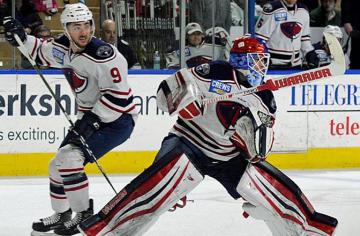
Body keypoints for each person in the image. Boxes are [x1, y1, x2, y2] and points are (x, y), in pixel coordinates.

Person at [78, 36, 338, 236]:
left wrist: (255, 132)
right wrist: (183, 100)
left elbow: (261, 152)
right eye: (258, 59)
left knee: (272, 189)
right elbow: (165, 91)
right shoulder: (214, 72)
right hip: (189, 142)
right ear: (242, 60)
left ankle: (307, 228)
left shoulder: (265, 98)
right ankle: (107, 230)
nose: (262, 65)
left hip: (228, 156)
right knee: (158, 186)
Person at [3, 3, 137, 235]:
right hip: (91, 116)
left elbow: (119, 98)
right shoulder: (62, 48)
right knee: (56, 166)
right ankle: (62, 215)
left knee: (70, 157)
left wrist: (92, 121)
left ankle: (83, 215)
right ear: (65, 29)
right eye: (76, 27)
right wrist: (20, 37)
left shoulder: (105, 57)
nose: (83, 31)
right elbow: (40, 50)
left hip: (117, 120)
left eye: (87, 25)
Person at [255, 0, 320, 69]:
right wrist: (262, 58)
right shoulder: (272, 9)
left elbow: (304, 39)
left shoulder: (303, 11)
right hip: (274, 66)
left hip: (296, 66)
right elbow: (259, 39)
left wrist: (309, 53)